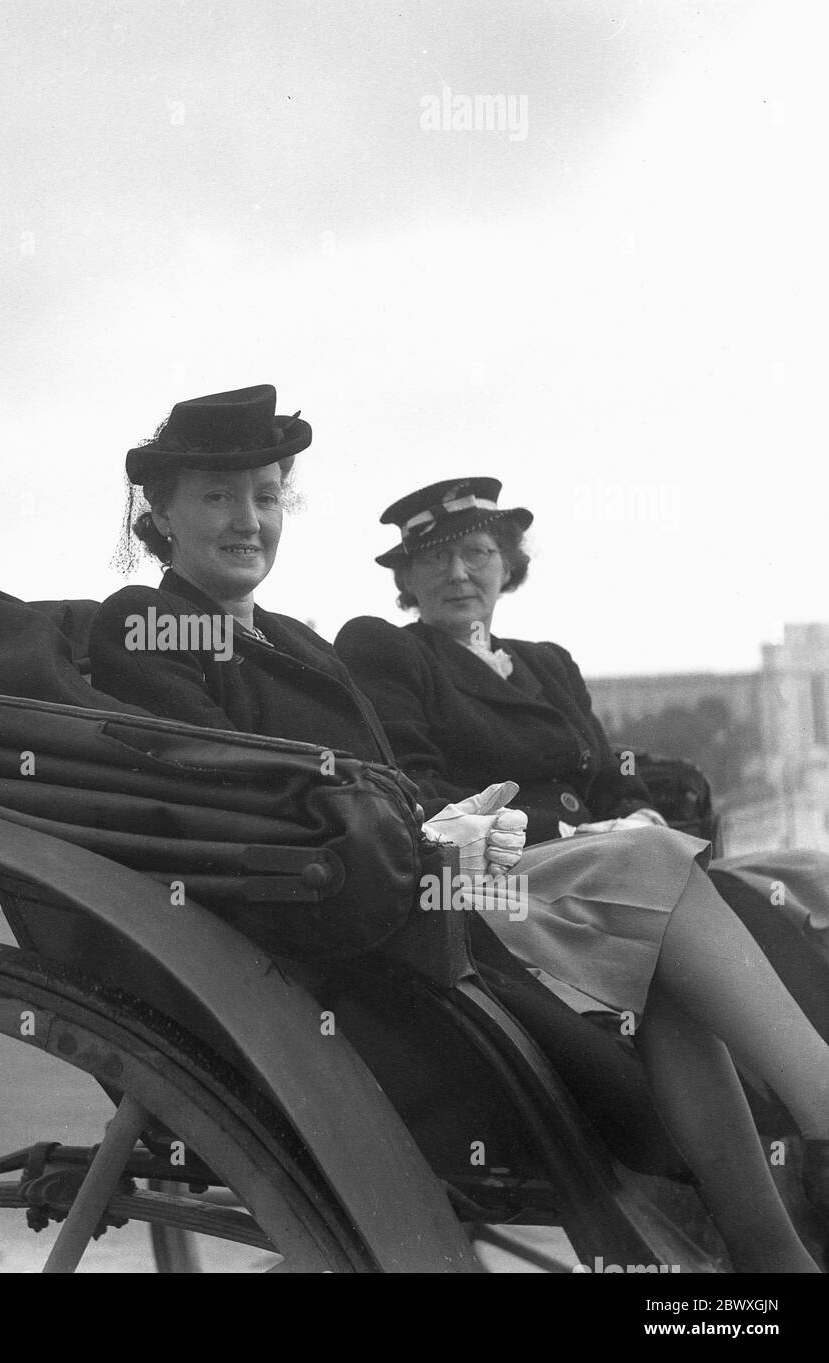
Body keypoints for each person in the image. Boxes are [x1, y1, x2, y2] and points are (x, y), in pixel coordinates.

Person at [91, 400, 826, 1271]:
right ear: (160, 516)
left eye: (264, 495)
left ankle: (777, 1264)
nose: (248, 520)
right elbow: (218, 795)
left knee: (674, 917)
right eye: (217, 498)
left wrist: (454, 818)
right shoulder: (143, 625)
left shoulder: (292, 639)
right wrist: (424, 834)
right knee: (651, 867)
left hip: (403, 889)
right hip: (332, 928)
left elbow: (376, 779)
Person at [334, 477, 829, 1270]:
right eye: (434, 559)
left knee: (801, 874)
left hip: (606, 869)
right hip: (489, 879)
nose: (458, 572)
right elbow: (418, 795)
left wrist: (638, 815)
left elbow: (606, 779)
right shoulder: (387, 652)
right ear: (406, 578)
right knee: (658, 870)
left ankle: (778, 1244)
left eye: (477, 551)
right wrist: (588, 832)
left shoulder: (546, 664)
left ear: (506, 564)